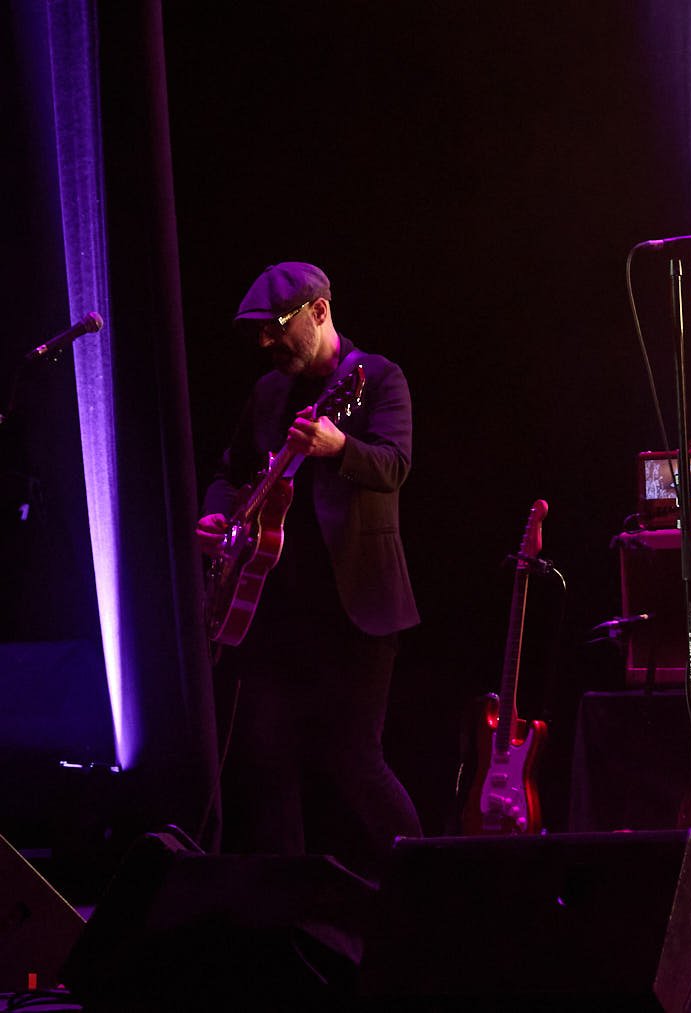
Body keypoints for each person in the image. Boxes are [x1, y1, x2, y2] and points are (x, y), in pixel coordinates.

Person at [196, 262, 422, 874]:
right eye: (260, 332)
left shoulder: (378, 378)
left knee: (355, 760)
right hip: (276, 608)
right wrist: (217, 515)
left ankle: (424, 884)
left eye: (276, 327)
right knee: (266, 762)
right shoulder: (269, 392)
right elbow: (230, 471)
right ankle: (286, 904)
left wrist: (338, 446)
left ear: (319, 312)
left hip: (357, 607)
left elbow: (394, 465)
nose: (266, 342)